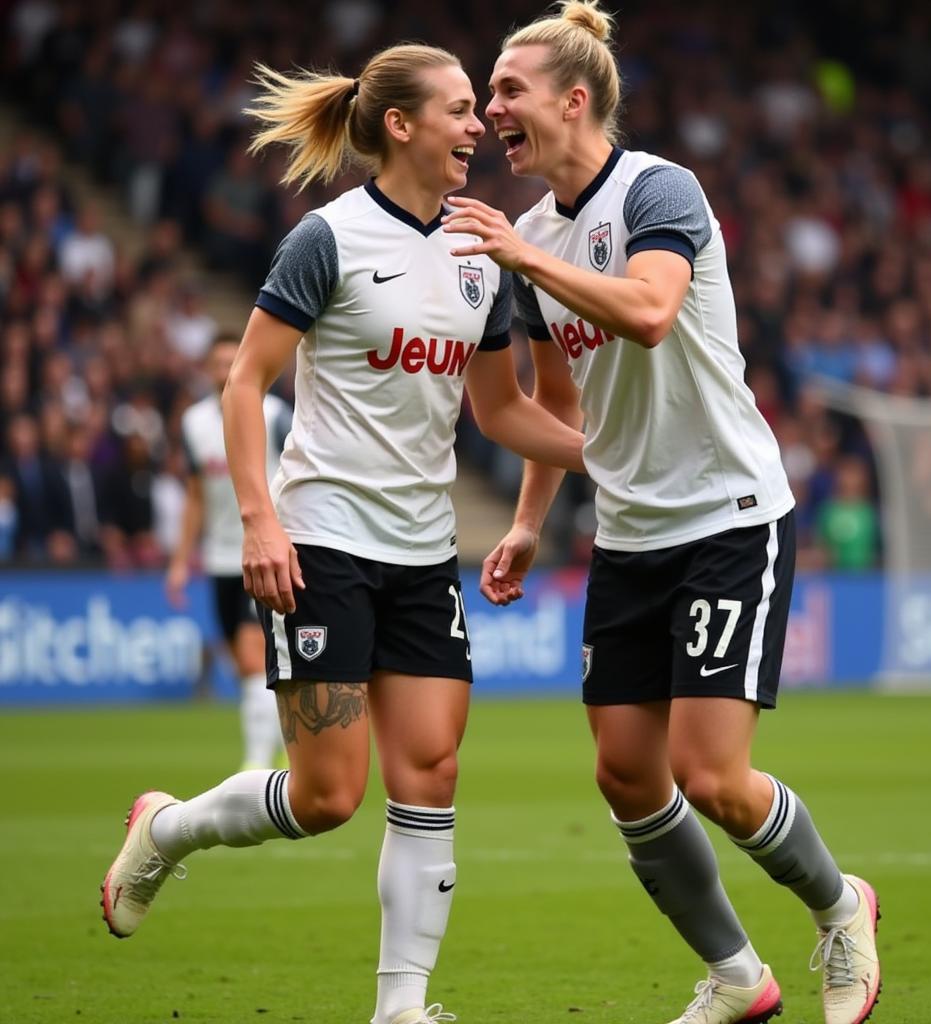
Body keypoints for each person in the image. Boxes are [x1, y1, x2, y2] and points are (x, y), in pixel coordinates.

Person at [101, 44, 585, 1024]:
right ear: (399, 125)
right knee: (327, 797)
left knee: (432, 771)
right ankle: (169, 829)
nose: (476, 126)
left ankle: (400, 1008)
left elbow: (498, 412)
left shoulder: (476, 251)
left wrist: (609, 456)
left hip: (423, 552)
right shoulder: (327, 239)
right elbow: (245, 382)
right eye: (457, 109)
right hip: (321, 542)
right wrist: (258, 521)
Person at [443, 4, 881, 1024]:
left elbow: (646, 313)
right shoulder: (535, 239)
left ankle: (839, 905)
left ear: (574, 98)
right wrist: (524, 520)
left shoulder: (656, 189)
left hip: (727, 516)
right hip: (629, 534)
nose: (492, 107)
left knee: (713, 774)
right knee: (625, 774)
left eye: (508, 88)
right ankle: (737, 976)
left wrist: (523, 259)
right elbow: (556, 407)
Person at [165, 333, 291, 770]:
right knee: (244, 663)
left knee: (253, 650)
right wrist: (181, 561)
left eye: (230, 362)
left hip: (267, 553)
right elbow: (196, 496)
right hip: (220, 558)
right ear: (207, 369)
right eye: (216, 364)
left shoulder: (275, 415)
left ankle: (257, 763)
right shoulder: (194, 424)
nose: (223, 371)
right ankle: (271, 741)